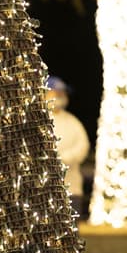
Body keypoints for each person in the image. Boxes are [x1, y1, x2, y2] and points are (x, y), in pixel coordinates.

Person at [47, 76, 90, 218]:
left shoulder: (72, 121)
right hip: (44, 189)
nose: (59, 96)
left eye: (61, 93)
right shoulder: (38, 120)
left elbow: (83, 146)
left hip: (71, 187)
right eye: (55, 92)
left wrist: (63, 159)